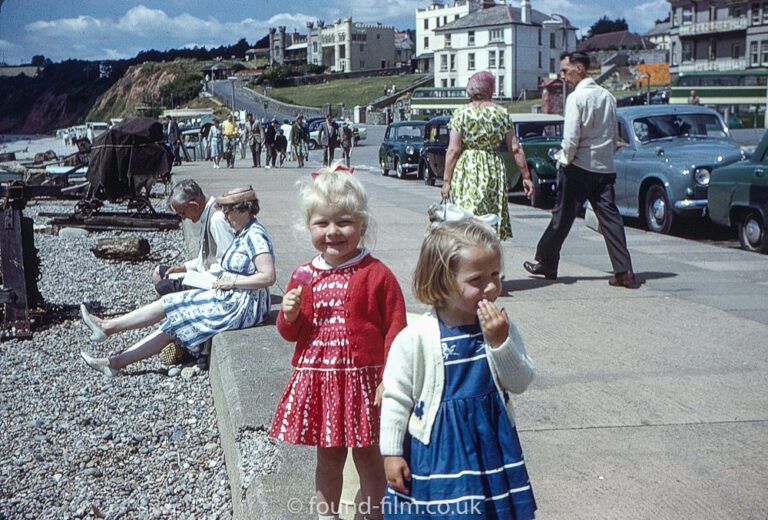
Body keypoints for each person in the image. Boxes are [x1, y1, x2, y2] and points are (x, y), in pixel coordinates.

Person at [269, 166, 407, 520]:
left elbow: (396, 327)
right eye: (322, 224)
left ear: (362, 225)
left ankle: (377, 515)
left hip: (364, 383)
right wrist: (289, 313)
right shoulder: (304, 274)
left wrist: (390, 378)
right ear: (308, 227)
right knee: (328, 459)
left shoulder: (376, 274)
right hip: (322, 382)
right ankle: (326, 515)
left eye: (343, 222)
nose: (333, 232)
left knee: (370, 459)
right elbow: (289, 332)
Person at [380, 219, 537, 520]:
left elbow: (521, 381)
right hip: (439, 452)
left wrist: (500, 343)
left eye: (495, 275)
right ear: (442, 281)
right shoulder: (416, 337)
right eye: (476, 279)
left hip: (491, 444)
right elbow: (396, 397)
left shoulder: (500, 328)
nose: (491, 286)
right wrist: (391, 452)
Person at [79, 186, 276, 377]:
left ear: (242, 211)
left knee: (172, 307)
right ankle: (114, 361)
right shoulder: (244, 232)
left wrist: (231, 284)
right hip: (232, 296)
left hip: (244, 305)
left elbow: (268, 277)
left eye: (228, 213)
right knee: (172, 318)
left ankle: (108, 331)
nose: (225, 217)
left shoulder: (255, 235)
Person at [523, 51, 638, 288]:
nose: (562, 76)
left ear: (580, 69)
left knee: (561, 218)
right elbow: (611, 135)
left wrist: (564, 161)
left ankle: (546, 261)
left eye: (565, 71)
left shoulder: (576, 98)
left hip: (578, 166)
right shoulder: (608, 97)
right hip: (604, 168)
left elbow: (571, 137)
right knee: (611, 219)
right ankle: (624, 269)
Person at [440, 71, 534, 240]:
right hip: (492, 167)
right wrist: (526, 176)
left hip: (467, 169)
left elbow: (453, 150)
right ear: (490, 90)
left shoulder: (461, 113)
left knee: (466, 218)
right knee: (489, 221)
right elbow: (515, 148)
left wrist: (446, 181)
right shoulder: (501, 114)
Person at [152, 179, 235, 296]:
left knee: (162, 287)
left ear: (194, 205)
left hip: (216, 282)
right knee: (158, 272)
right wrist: (183, 267)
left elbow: (231, 264)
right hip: (207, 274)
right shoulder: (207, 215)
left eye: (183, 213)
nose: (183, 218)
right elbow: (207, 257)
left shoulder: (217, 219)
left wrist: (194, 277)